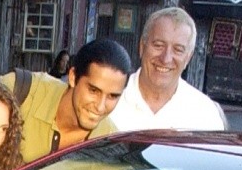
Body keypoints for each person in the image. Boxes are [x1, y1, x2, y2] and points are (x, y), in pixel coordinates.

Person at [92, 7, 228, 135]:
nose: (166, 58)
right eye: (158, 45)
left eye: (178, 50)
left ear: (188, 57)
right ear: (142, 46)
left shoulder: (205, 114)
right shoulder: (105, 101)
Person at [3, 38, 131, 162]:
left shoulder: (110, 146)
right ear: (73, 77)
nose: (100, 107)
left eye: (112, 96)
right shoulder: (18, 91)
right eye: (93, 90)